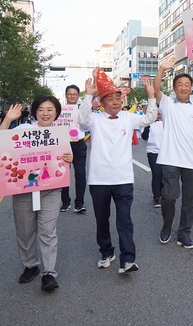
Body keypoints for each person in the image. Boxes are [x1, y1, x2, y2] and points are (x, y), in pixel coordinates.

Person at [79, 68, 158, 274]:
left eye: (118, 98)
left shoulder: (128, 118)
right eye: (110, 99)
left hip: (123, 178)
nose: (115, 102)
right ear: (102, 102)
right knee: (102, 219)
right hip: (99, 180)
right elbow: (82, 120)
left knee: (125, 220)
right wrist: (88, 95)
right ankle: (106, 252)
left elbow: (149, 118)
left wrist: (151, 97)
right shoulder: (94, 119)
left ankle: (128, 259)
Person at [0, 97, 74, 292]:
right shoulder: (22, 130)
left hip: (50, 190)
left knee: (48, 232)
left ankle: (49, 273)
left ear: (56, 113)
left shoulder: (59, 134)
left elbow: (65, 160)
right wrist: (7, 119)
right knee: (24, 230)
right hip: (23, 190)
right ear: (34, 112)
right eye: (41, 109)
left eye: (50, 109)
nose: (45, 113)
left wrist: (69, 158)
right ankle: (30, 265)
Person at [154, 59, 193, 249]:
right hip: (170, 159)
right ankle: (166, 226)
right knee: (169, 197)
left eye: (187, 84)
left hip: (192, 161)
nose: (184, 87)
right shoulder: (168, 105)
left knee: (189, 200)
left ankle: (184, 233)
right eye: (180, 84)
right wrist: (162, 69)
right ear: (174, 88)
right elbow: (155, 90)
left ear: (191, 88)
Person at [60, 85, 88, 213]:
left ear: (78, 95)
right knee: (64, 174)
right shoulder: (59, 109)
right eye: (69, 94)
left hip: (79, 144)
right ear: (65, 95)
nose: (72, 96)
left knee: (80, 174)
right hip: (64, 144)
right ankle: (65, 202)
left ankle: (79, 203)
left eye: (75, 94)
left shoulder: (83, 109)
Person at [141, 111, 163, 208]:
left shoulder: (168, 122)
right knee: (157, 174)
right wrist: (148, 125)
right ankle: (156, 196)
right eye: (157, 112)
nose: (159, 113)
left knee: (165, 175)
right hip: (153, 152)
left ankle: (163, 193)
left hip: (166, 153)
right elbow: (144, 137)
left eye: (160, 112)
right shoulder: (149, 124)